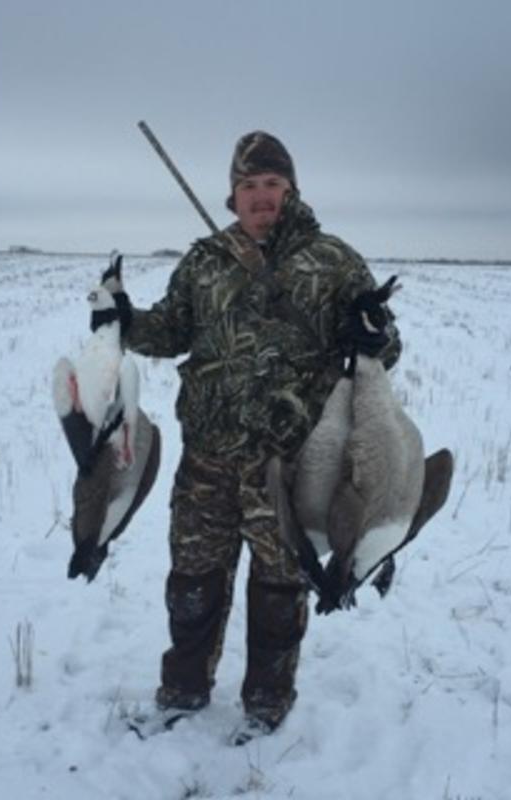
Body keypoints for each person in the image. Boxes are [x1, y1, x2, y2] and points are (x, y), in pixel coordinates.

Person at [117, 131, 401, 741]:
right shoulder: (206, 260)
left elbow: (383, 345)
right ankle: (183, 691)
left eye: (272, 183)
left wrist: (375, 335)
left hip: (290, 466)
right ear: (233, 194)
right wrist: (122, 321)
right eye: (249, 185)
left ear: (291, 188)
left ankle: (267, 703)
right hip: (207, 459)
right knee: (191, 582)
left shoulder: (333, 261)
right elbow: (171, 330)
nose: (261, 196)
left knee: (278, 588)